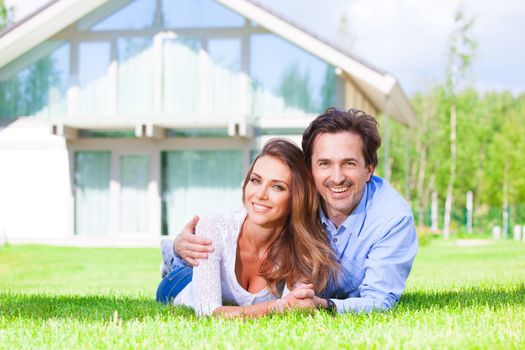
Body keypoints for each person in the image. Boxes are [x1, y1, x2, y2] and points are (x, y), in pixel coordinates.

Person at [172, 107, 419, 313]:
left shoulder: (393, 219)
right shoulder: (301, 198)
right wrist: (179, 245)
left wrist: (323, 305)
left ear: (369, 169)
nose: (337, 177)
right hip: (206, 274)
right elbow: (249, 215)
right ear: (310, 169)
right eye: (324, 164)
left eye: (349, 163)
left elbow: (379, 301)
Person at [156, 138, 338, 317]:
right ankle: (174, 257)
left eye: (277, 187)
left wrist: (294, 303)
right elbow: (208, 312)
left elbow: (293, 305)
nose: (260, 194)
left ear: (296, 198)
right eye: (256, 180)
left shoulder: (303, 246)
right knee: (188, 273)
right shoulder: (215, 226)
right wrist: (277, 306)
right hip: (184, 281)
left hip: (221, 281)